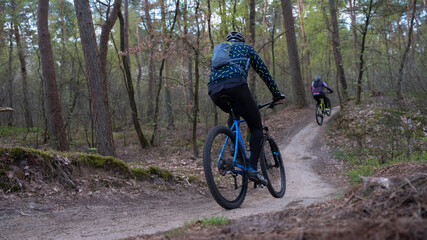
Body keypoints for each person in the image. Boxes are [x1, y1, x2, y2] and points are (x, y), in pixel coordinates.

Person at [208, 31, 286, 186]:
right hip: (236, 84)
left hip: (213, 89)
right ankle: (252, 168)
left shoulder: (221, 50)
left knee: (234, 112)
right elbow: (264, 72)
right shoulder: (246, 48)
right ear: (241, 40)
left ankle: (233, 146)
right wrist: (276, 94)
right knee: (256, 127)